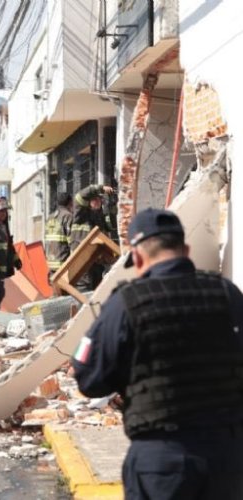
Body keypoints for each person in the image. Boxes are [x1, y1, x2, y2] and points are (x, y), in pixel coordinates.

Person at [72, 208, 243, 500]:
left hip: (163, 459)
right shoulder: (227, 294)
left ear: (137, 257)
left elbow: (90, 380)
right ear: (185, 250)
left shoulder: (126, 303)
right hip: (226, 458)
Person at [70, 184, 114, 290]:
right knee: (84, 289)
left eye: (99, 199)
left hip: (96, 261)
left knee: (97, 290)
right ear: (88, 202)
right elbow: (80, 196)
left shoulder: (100, 216)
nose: (97, 201)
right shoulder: (81, 214)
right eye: (94, 199)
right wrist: (101, 188)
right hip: (82, 260)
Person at [44, 193, 73, 278]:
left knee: (56, 289)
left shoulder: (50, 217)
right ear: (70, 203)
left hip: (51, 262)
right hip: (63, 262)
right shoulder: (68, 216)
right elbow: (71, 240)